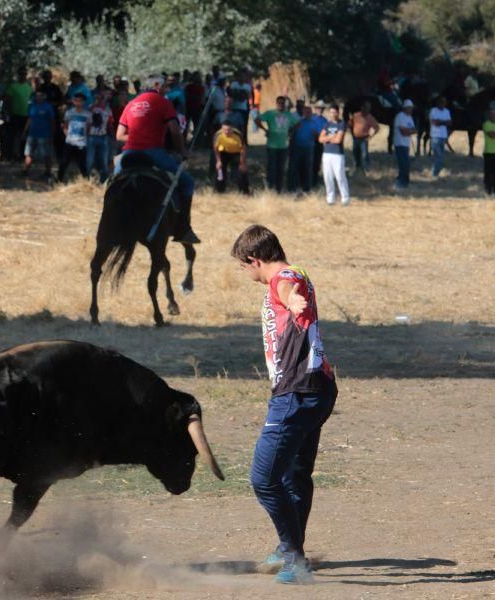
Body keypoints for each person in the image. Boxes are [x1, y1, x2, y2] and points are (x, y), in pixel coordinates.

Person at [231, 224, 337, 586]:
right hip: (317, 389)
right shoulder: (299, 271)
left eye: (244, 267)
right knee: (295, 473)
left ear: (254, 259)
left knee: (263, 479)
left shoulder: (284, 280)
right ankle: (289, 547)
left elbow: (283, 286)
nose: (246, 275)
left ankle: (295, 558)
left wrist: (291, 300)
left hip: (296, 393)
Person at [114, 73, 199, 245]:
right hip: (154, 152)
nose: (167, 89)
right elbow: (175, 131)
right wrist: (181, 150)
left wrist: (136, 138)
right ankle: (183, 229)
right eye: (165, 86)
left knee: (113, 185)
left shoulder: (130, 104)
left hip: (129, 154)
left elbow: (119, 136)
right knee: (187, 183)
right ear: (156, 85)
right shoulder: (163, 102)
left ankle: (113, 224)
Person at [257, 96, 300, 193]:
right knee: (272, 168)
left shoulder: (288, 115)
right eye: (279, 103)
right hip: (272, 145)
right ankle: (270, 188)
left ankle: (278, 189)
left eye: (282, 103)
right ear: (276, 103)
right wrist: (265, 129)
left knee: (281, 168)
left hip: (283, 146)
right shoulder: (270, 113)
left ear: (285, 104)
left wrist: (291, 132)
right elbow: (257, 119)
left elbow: (298, 123)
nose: (280, 105)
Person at [318, 105, 350, 206]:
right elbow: (320, 139)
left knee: (340, 176)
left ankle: (345, 198)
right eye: (331, 112)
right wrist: (331, 136)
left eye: (334, 112)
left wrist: (327, 138)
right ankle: (330, 198)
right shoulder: (327, 124)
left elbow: (338, 140)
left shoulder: (341, 124)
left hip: (337, 154)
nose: (332, 114)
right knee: (328, 176)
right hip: (327, 153)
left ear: (338, 112)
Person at [22, 90, 56, 179]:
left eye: (40, 95)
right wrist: (25, 131)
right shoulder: (32, 105)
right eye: (37, 95)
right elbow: (29, 119)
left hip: (44, 135)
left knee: (46, 154)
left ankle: (48, 172)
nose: (38, 97)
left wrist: (52, 134)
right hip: (32, 134)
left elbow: (52, 121)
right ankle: (25, 171)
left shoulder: (48, 107)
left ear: (44, 96)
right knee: (29, 153)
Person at [58, 93, 91, 181]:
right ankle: (59, 180)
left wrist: (83, 138)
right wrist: (68, 136)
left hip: (81, 143)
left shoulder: (87, 114)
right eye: (76, 100)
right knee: (64, 162)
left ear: (83, 102)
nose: (78, 103)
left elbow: (88, 128)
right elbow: (65, 126)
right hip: (70, 142)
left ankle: (86, 181)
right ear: (73, 101)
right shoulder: (69, 113)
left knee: (82, 164)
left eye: (80, 101)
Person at [288, 104, 319, 193]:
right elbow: (290, 134)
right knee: (294, 168)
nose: (307, 114)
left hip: (308, 149)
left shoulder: (314, 123)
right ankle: (293, 188)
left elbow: (318, 137)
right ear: (303, 113)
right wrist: (294, 128)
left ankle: (307, 189)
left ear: (311, 113)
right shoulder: (298, 121)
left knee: (307, 168)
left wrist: (315, 134)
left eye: (309, 112)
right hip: (297, 148)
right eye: (306, 112)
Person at [213, 118, 249, 194]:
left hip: (236, 153)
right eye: (224, 130)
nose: (227, 132)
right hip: (223, 153)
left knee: (241, 171)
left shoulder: (238, 134)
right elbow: (215, 149)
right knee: (220, 171)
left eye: (229, 130)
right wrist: (218, 161)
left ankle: (244, 192)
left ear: (232, 129)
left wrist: (242, 163)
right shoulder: (218, 135)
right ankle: (219, 191)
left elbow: (243, 149)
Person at [3, 68, 32, 161]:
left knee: (23, 135)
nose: (23, 76)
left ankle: (22, 155)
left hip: (25, 115)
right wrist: (8, 111)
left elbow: (31, 100)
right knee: (13, 135)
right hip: (14, 114)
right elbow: (7, 99)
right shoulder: (13, 86)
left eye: (24, 74)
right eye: (21, 74)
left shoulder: (29, 87)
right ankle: (10, 155)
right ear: (18, 75)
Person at [87, 90, 112, 183]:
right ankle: (87, 179)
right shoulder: (91, 107)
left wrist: (112, 135)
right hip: (92, 136)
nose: (100, 100)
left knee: (103, 160)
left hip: (103, 136)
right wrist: (87, 137)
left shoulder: (108, 109)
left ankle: (104, 180)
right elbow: (88, 123)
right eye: (98, 98)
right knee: (90, 160)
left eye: (102, 98)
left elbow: (110, 124)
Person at [349, 101, 379, 174]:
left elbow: (377, 127)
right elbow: (350, 124)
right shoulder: (356, 115)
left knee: (364, 154)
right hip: (355, 138)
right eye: (365, 108)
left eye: (368, 108)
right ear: (362, 108)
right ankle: (357, 167)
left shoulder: (370, 117)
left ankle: (366, 169)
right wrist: (351, 132)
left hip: (364, 138)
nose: (367, 110)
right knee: (355, 153)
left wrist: (370, 136)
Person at [393, 99, 417, 190]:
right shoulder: (400, 116)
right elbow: (403, 132)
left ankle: (405, 182)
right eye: (410, 108)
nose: (411, 110)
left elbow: (414, 130)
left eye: (412, 108)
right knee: (403, 163)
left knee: (406, 164)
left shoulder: (410, 117)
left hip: (406, 144)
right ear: (405, 108)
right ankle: (400, 182)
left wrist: (409, 131)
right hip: (399, 143)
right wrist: (409, 131)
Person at [429, 96, 452, 177]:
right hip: (435, 136)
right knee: (439, 157)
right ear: (438, 103)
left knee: (440, 157)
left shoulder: (447, 111)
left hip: (443, 136)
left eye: (444, 102)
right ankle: (434, 174)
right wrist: (444, 122)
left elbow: (449, 123)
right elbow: (434, 122)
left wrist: (440, 122)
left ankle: (434, 171)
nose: (443, 104)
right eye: (441, 102)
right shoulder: (433, 111)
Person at [228, 70, 253, 143]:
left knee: (244, 125)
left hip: (244, 108)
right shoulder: (234, 84)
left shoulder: (247, 86)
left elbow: (247, 96)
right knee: (235, 125)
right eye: (240, 76)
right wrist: (240, 94)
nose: (242, 78)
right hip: (235, 108)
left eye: (243, 77)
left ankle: (244, 140)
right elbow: (232, 94)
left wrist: (239, 94)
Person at [311, 100, 328, 184]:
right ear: (315, 108)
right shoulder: (310, 117)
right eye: (318, 108)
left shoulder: (325, 120)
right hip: (310, 142)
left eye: (322, 108)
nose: (320, 110)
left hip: (319, 143)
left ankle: (315, 181)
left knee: (317, 162)